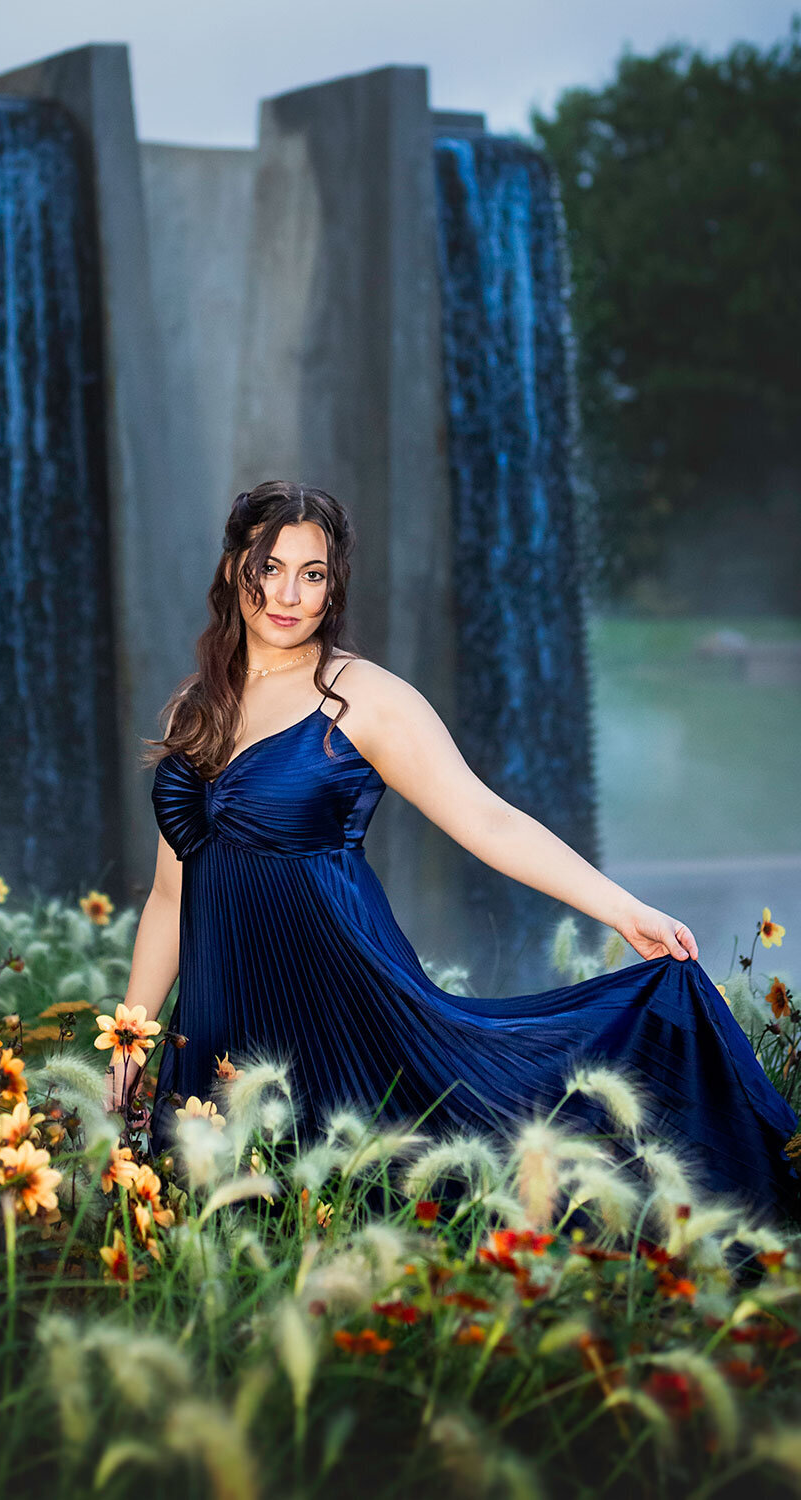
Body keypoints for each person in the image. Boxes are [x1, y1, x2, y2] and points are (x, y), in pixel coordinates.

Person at [105, 481, 799, 1224]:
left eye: (313, 573)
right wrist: (127, 1052)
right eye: (268, 567)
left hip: (339, 1001)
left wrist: (623, 909)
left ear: (333, 584)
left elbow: (485, 819)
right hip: (220, 1013)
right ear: (231, 570)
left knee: (407, 1182)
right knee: (220, 1216)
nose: (288, 594)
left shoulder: (362, 696)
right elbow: (171, 898)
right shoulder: (195, 709)